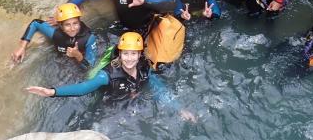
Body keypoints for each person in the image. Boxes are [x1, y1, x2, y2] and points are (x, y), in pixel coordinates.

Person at [26, 32, 196, 121]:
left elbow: (158, 88)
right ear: (119, 54)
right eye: (125, 54)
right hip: (111, 107)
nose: (129, 58)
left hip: (134, 101)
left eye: (133, 54)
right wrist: (52, 92)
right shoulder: (106, 76)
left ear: (139, 55)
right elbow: (83, 89)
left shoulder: (145, 67)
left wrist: (179, 108)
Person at [11, 3, 97, 67]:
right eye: (67, 24)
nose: (72, 28)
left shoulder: (88, 38)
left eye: (75, 23)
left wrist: (78, 55)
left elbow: (90, 68)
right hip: (61, 60)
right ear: (60, 26)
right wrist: (22, 47)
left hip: (78, 62)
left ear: (80, 22)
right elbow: (35, 23)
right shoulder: (57, 34)